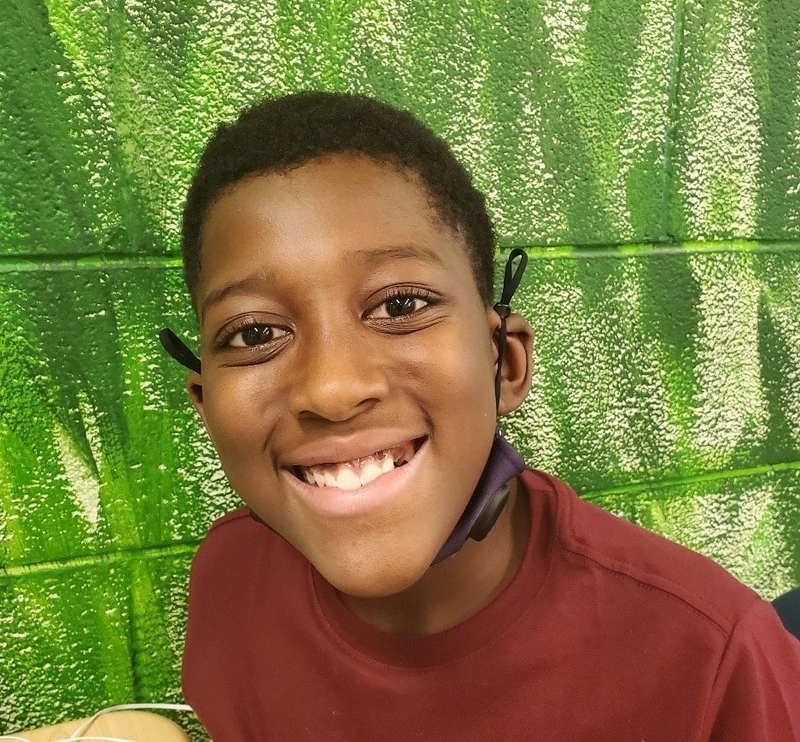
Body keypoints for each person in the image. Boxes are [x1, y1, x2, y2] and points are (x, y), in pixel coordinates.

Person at [160, 92, 800, 740]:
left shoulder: (713, 659)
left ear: (505, 363)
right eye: (254, 334)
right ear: (206, 407)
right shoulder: (230, 578)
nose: (332, 389)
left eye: (400, 305)